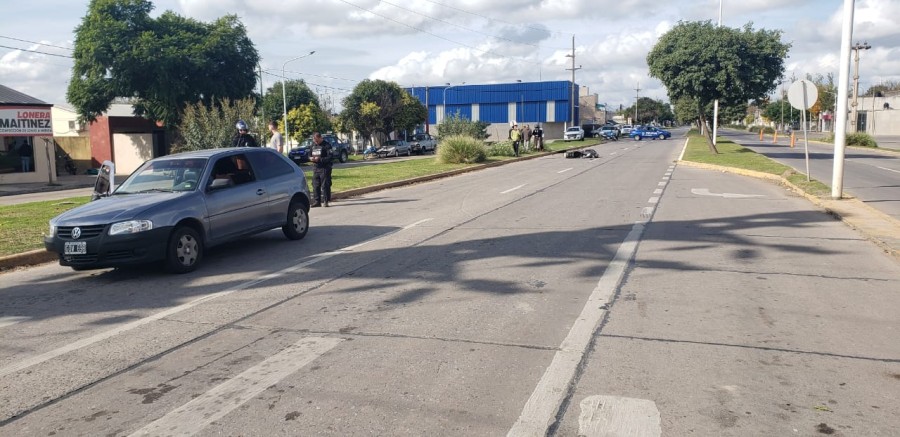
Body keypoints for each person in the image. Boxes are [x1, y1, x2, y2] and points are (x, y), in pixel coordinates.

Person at [309, 132, 333, 207]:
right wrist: (310, 158)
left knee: (325, 185)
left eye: (317, 140)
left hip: (324, 168)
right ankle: (317, 201)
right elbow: (309, 154)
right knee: (315, 185)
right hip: (316, 168)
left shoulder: (327, 145)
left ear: (320, 138)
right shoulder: (313, 145)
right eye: (314, 140)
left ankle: (326, 201)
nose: (316, 142)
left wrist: (320, 159)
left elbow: (330, 157)